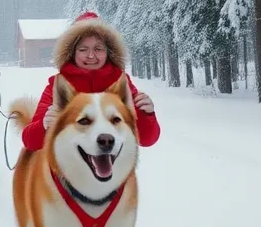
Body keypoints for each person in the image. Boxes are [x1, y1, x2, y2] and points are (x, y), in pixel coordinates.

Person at [21, 11, 161, 152]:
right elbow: (30, 142)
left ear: (109, 52)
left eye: (98, 49)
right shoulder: (59, 85)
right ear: (72, 53)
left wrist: (147, 114)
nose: (91, 55)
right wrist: (44, 125)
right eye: (83, 49)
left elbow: (146, 139)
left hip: (113, 168)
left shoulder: (121, 83)